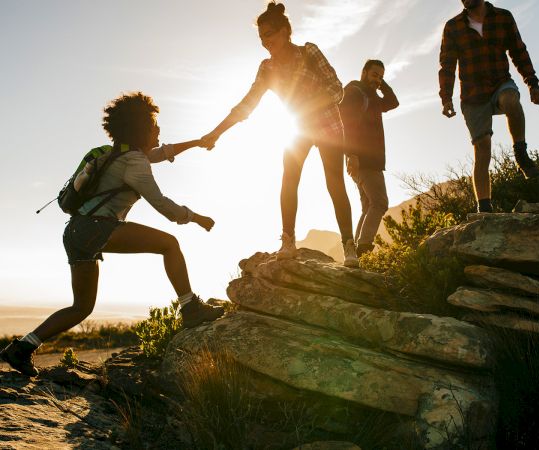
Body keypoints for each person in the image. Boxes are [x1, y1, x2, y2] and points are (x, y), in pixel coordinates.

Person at [0, 92, 224, 377]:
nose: (159, 132)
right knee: (170, 244)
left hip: (76, 232)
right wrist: (196, 218)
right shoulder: (135, 162)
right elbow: (161, 203)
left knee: (81, 307)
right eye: (155, 128)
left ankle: (21, 348)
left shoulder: (115, 154)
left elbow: (160, 153)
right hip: (97, 228)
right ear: (141, 130)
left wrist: (196, 143)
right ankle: (190, 308)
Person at [198, 1, 358, 267]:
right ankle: (288, 240)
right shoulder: (267, 68)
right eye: (261, 37)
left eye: (269, 34)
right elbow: (246, 105)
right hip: (298, 127)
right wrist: (217, 132)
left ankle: (349, 246)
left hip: (327, 123)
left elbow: (336, 89)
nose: (265, 42)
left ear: (285, 31)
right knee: (289, 178)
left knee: (334, 182)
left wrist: (310, 106)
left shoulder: (309, 52)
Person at [439, 0, 539, 213]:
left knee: (511, 100)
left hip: (499, 83)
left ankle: (521, 153)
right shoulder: (453, 27)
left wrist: (531, 82)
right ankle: (484, 207)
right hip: (473, 95)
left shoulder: (503, 17)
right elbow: (447, 65)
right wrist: (446, 97)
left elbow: (518, 50)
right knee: (482, 147)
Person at [340, 60, 399, 257]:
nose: (378, 79)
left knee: (368, 206)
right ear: (364, 72)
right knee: (380, 203)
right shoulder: (356, 92)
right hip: (363, 159)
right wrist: (352, 155)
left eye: (381, 76)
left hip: (367, 159)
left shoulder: (372, 96)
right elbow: (348, 124)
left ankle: (356, 252)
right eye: (374, 75)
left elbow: (393, 102)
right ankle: (364, 247)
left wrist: (381, 84)